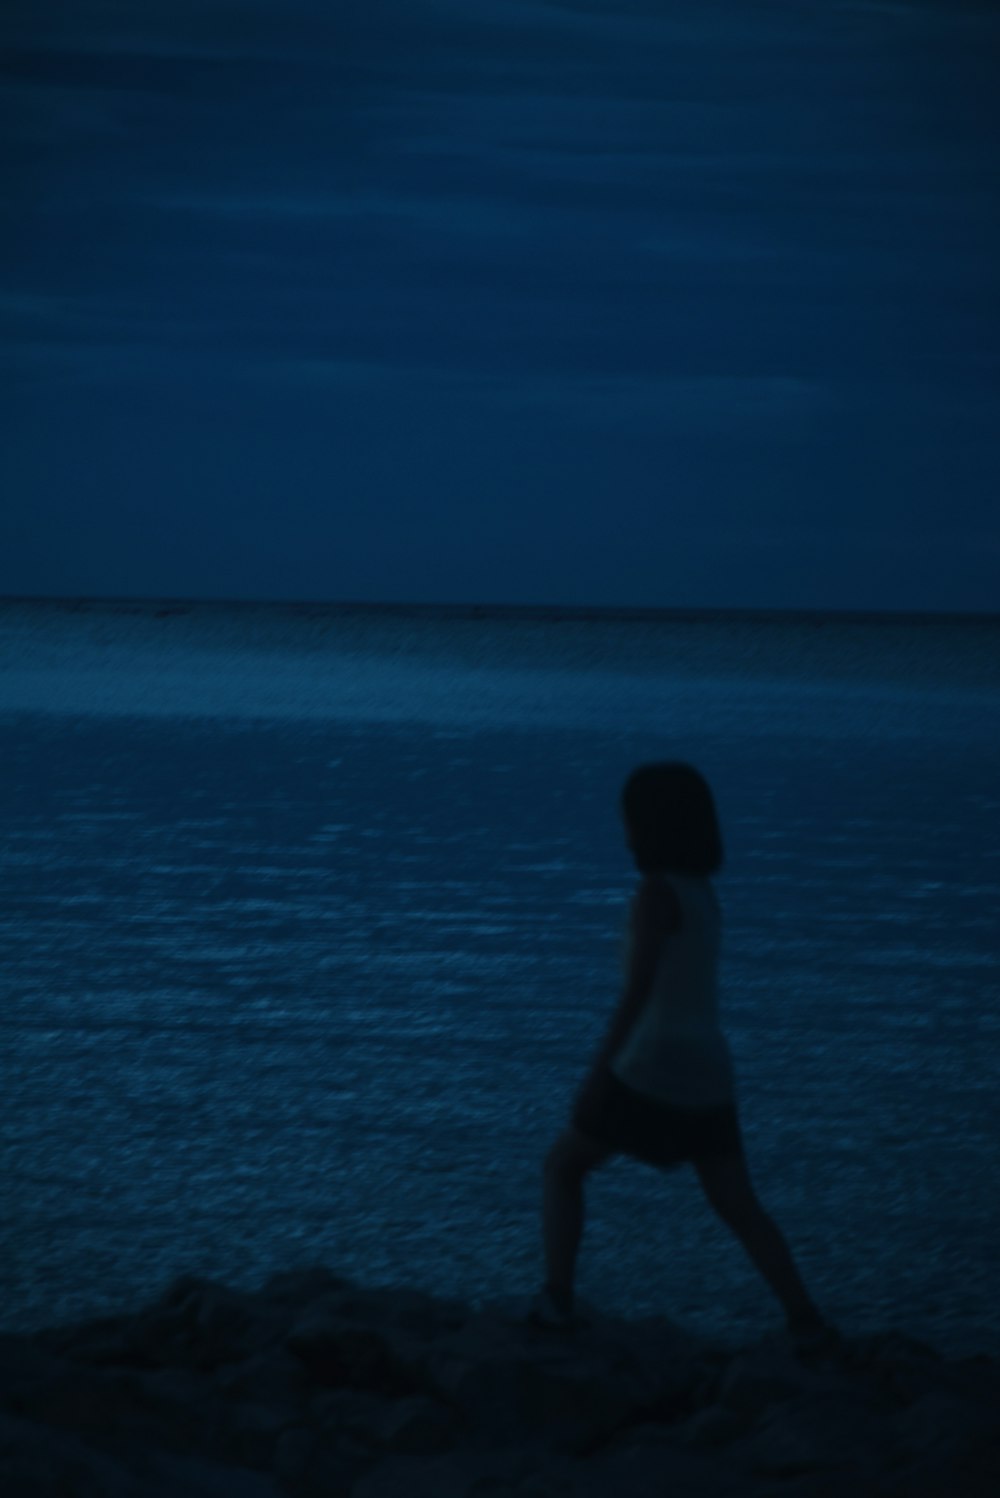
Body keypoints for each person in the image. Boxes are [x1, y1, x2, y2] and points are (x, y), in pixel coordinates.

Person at [527, 761, 831, 1346]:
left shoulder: (656, 895)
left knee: (563, 1167)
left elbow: (638, 992)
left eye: (628, 819)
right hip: (709, 1070)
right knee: (738, 1204)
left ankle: (557, 1300)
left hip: (651, 1064)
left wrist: (598, 1072)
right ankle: (806, 1319)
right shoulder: (703, 894)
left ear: (647, 827)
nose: (623, 830)